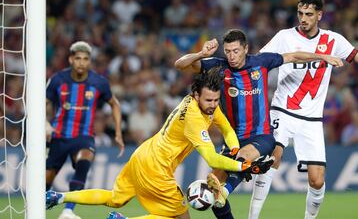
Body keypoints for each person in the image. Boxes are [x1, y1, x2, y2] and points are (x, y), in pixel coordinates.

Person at [249, 0, 358, 219]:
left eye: (309, 14)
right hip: (283, 108)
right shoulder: (284, 36)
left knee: (317, 179)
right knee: (273, 157)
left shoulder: (334, 41)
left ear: (319, 15)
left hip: (311, 119)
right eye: (300, 13)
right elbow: (258, 62)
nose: (303, 18)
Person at [45, 67, 275, 219]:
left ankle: (59, 197)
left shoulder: (199, 103)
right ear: (196, 95)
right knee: (180, 218)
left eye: (216, 100)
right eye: (209, 100)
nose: (213, 104)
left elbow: (225, 127)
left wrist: (235, 150)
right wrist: (244, 166)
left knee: (115, 198)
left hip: (144, 154)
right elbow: (213, 159)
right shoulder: (194, 118)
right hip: (157, 167)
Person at [174, 29, 343, 219]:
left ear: (246, 49)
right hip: (232, 140)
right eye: (228, 51)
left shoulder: (261, 62)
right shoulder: (219, 66)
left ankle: (227, 191)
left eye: (236, 51)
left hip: (261, 136)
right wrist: (201, 54)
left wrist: (323, 56)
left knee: (236, 166)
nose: (231, 56)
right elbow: (180, 64)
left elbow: (294, 56)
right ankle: (223, 194)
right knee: (213, 188)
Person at [46, 41, 125, 219]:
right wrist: (44, 124)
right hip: (59, 136)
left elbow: (115, 104)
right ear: (70, 60)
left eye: (85, 59)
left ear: (89, 61)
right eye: (78, 58)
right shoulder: (58, 80)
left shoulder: (99, 83)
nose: (81, 62)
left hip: (84, 136)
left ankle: (68, 212)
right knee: (45, 181)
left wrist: (118, 133)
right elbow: (43, 102)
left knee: (84, 161)